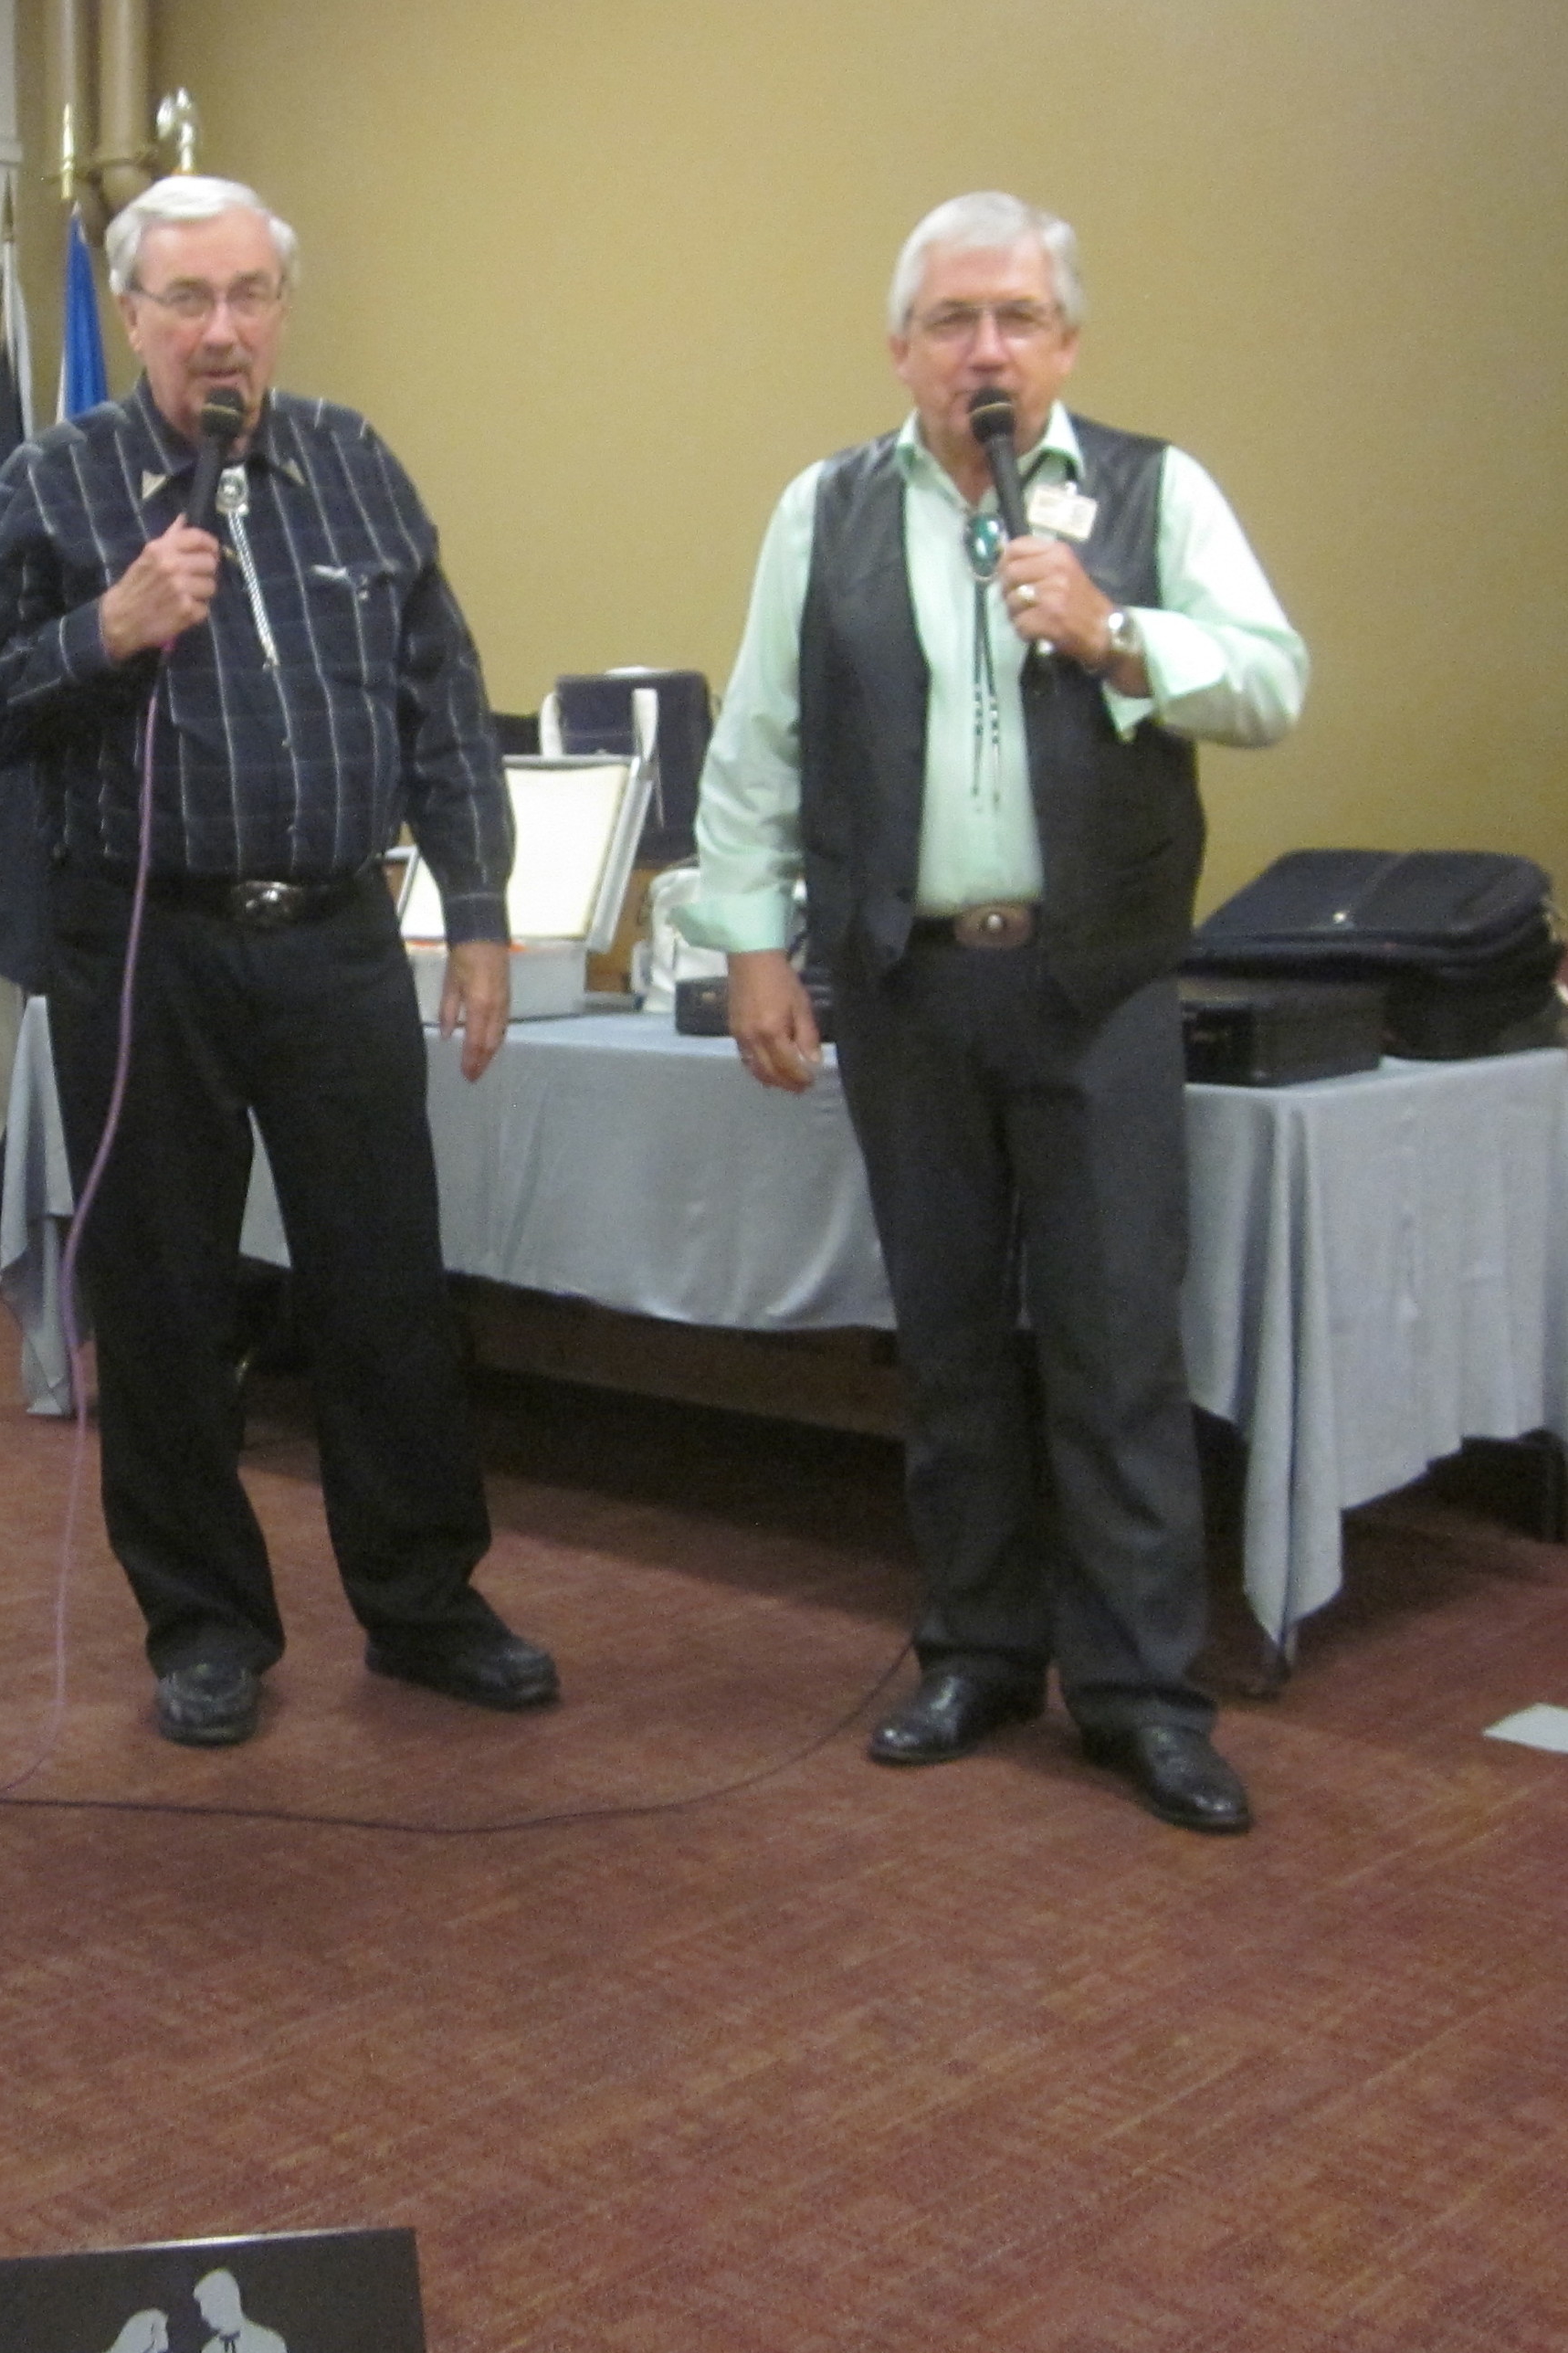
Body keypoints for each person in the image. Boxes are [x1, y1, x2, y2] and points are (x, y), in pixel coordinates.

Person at [676, 192, 1306, 1832]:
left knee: (1113, 1344)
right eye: (952, 323)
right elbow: (758, 747)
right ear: (901, 350)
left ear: (1067, 344)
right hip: (907, 984)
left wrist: (1116, 634)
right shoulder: (823, 511)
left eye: (1017, 319)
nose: (986, 351)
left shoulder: (1155, 493)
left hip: (1094, 982)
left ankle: (1144, 1695)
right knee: (950, 1339)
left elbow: (1274, 678)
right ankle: (973, 1650)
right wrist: (751, 943)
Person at [0, 174, 557, 1747]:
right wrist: (111, 626)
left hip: (340, 937)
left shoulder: (355, 463)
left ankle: (424, 1602)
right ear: (137, 314)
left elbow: (443, 702)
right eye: (187, 301)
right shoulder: (59, 480)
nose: (222, 332)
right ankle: (206, 1623)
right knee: (162, 1298)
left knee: (384, 1286)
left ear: (281, 309)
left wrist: (477, 916)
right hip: (144, 936)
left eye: (249, 298)